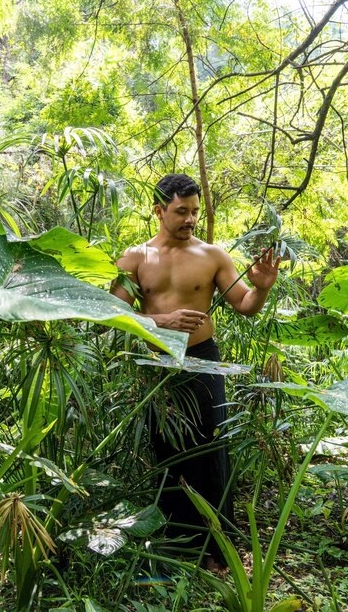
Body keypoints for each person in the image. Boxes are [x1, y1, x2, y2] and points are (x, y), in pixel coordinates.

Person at [110, 173, 280, 568]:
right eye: (181, 212)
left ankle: (218, 549)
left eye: (194, 213)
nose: (190, 220)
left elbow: (244, 305)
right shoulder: (135, 258)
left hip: (203, 359)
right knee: (168, 453)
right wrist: (162, 321)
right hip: (157, 367)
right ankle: (177, 546)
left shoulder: (213, 256)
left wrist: (263, 288)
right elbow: (112, 315)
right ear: (159, 210)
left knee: (210, 448)